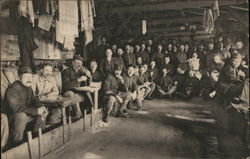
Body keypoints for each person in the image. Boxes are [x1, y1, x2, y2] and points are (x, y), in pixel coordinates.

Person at [5, 67, 48, 145]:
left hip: (26, 113)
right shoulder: (12, 89)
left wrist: (41, 107)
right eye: (26, 77)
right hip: (12, 118)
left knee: (41, 113)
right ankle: (17, 144)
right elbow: (15, 108)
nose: (29, 79)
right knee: (22, 116)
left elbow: (35, 100)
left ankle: (36, 140)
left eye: (31, 77)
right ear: (19, 77)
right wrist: (36, 111)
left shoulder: (28, 87)